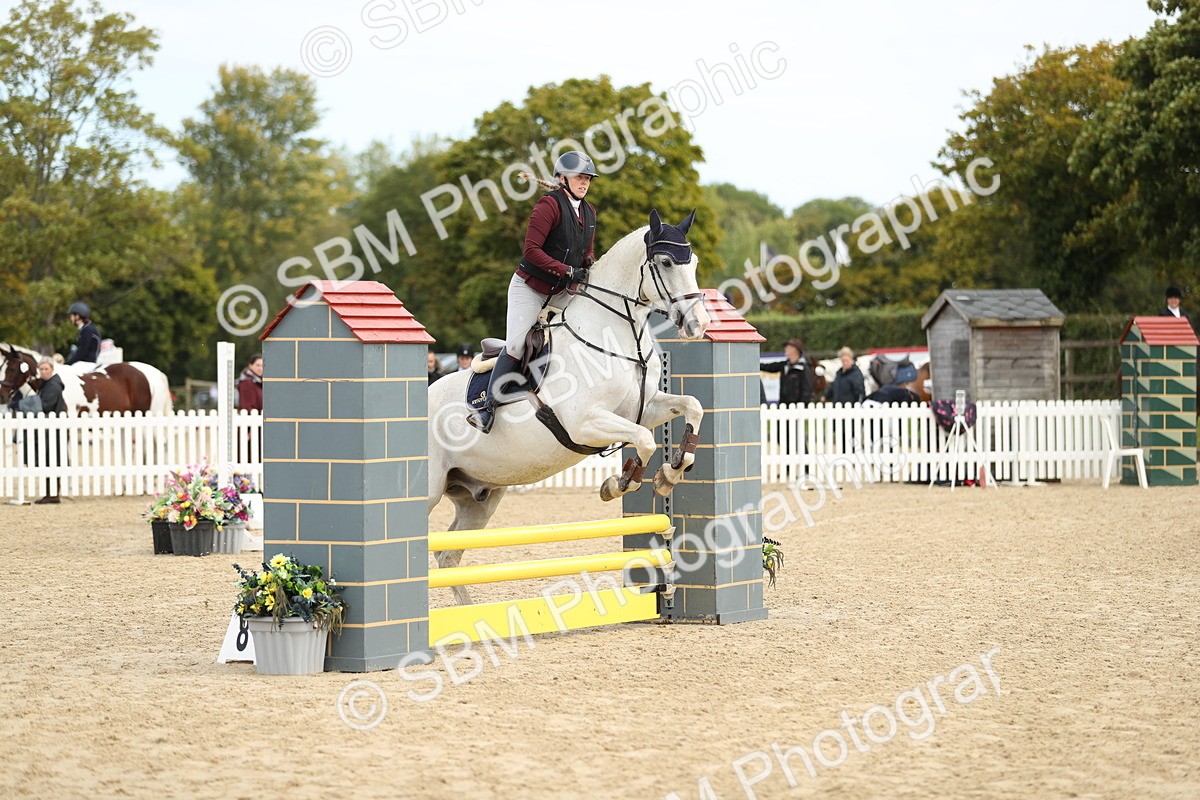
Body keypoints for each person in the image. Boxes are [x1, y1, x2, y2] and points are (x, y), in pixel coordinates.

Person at [467, 150, 598, 433]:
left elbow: (587, 255)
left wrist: (592, 270)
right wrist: (566, 271)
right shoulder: (548, 205)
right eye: (579, 177)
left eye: (587, 178)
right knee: (516, 345)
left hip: (562, 293)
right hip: (530, 289)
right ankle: (486, 407)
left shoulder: (589, 212)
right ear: (562, 178)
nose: (584, 183)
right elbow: (531, 251)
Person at [760, 338, 813, 406]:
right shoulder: (784, 365)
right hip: (784, 405)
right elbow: (769, 367)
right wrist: (754, 365)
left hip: (797, 407)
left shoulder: (804, 368)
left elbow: (807, 390)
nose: (785, 349)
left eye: (788, 347)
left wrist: (803, 405)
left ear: (795, 349)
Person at [65, 301, 101, 366]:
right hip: (84, 362)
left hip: (87, 364)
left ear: (77, 316)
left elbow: (82, 351)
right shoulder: (85, 328)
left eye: (71, 316)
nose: (70, 318)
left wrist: (68, 363)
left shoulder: (87, 330)